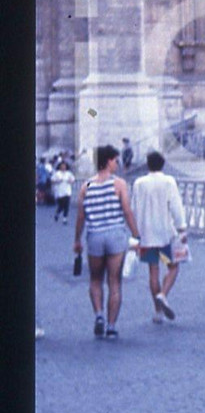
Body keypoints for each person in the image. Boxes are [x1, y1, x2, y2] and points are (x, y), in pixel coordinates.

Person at [73, 144, 140, 339]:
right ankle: (111, 326)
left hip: (94, 236)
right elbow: (127, 211)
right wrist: (136, 235)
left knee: (95, 279)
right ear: (108, 161)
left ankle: (99, 315)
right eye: (116, 160)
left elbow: (80, 217)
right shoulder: (118, 184)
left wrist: (77, 240)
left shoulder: (86, 186)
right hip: (115, 235)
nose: (117, 164)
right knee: (114, 282)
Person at [131, 150, 188, 324]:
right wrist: (181, 227)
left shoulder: (139, 183)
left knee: (153, 271)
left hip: (146, 234)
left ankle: (158, 312)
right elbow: (176, 206)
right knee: (173, 266)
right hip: (165, 233)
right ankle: (163, 294)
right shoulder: (169, 181)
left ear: (148, 165)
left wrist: (135, 233)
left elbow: (133, 208)